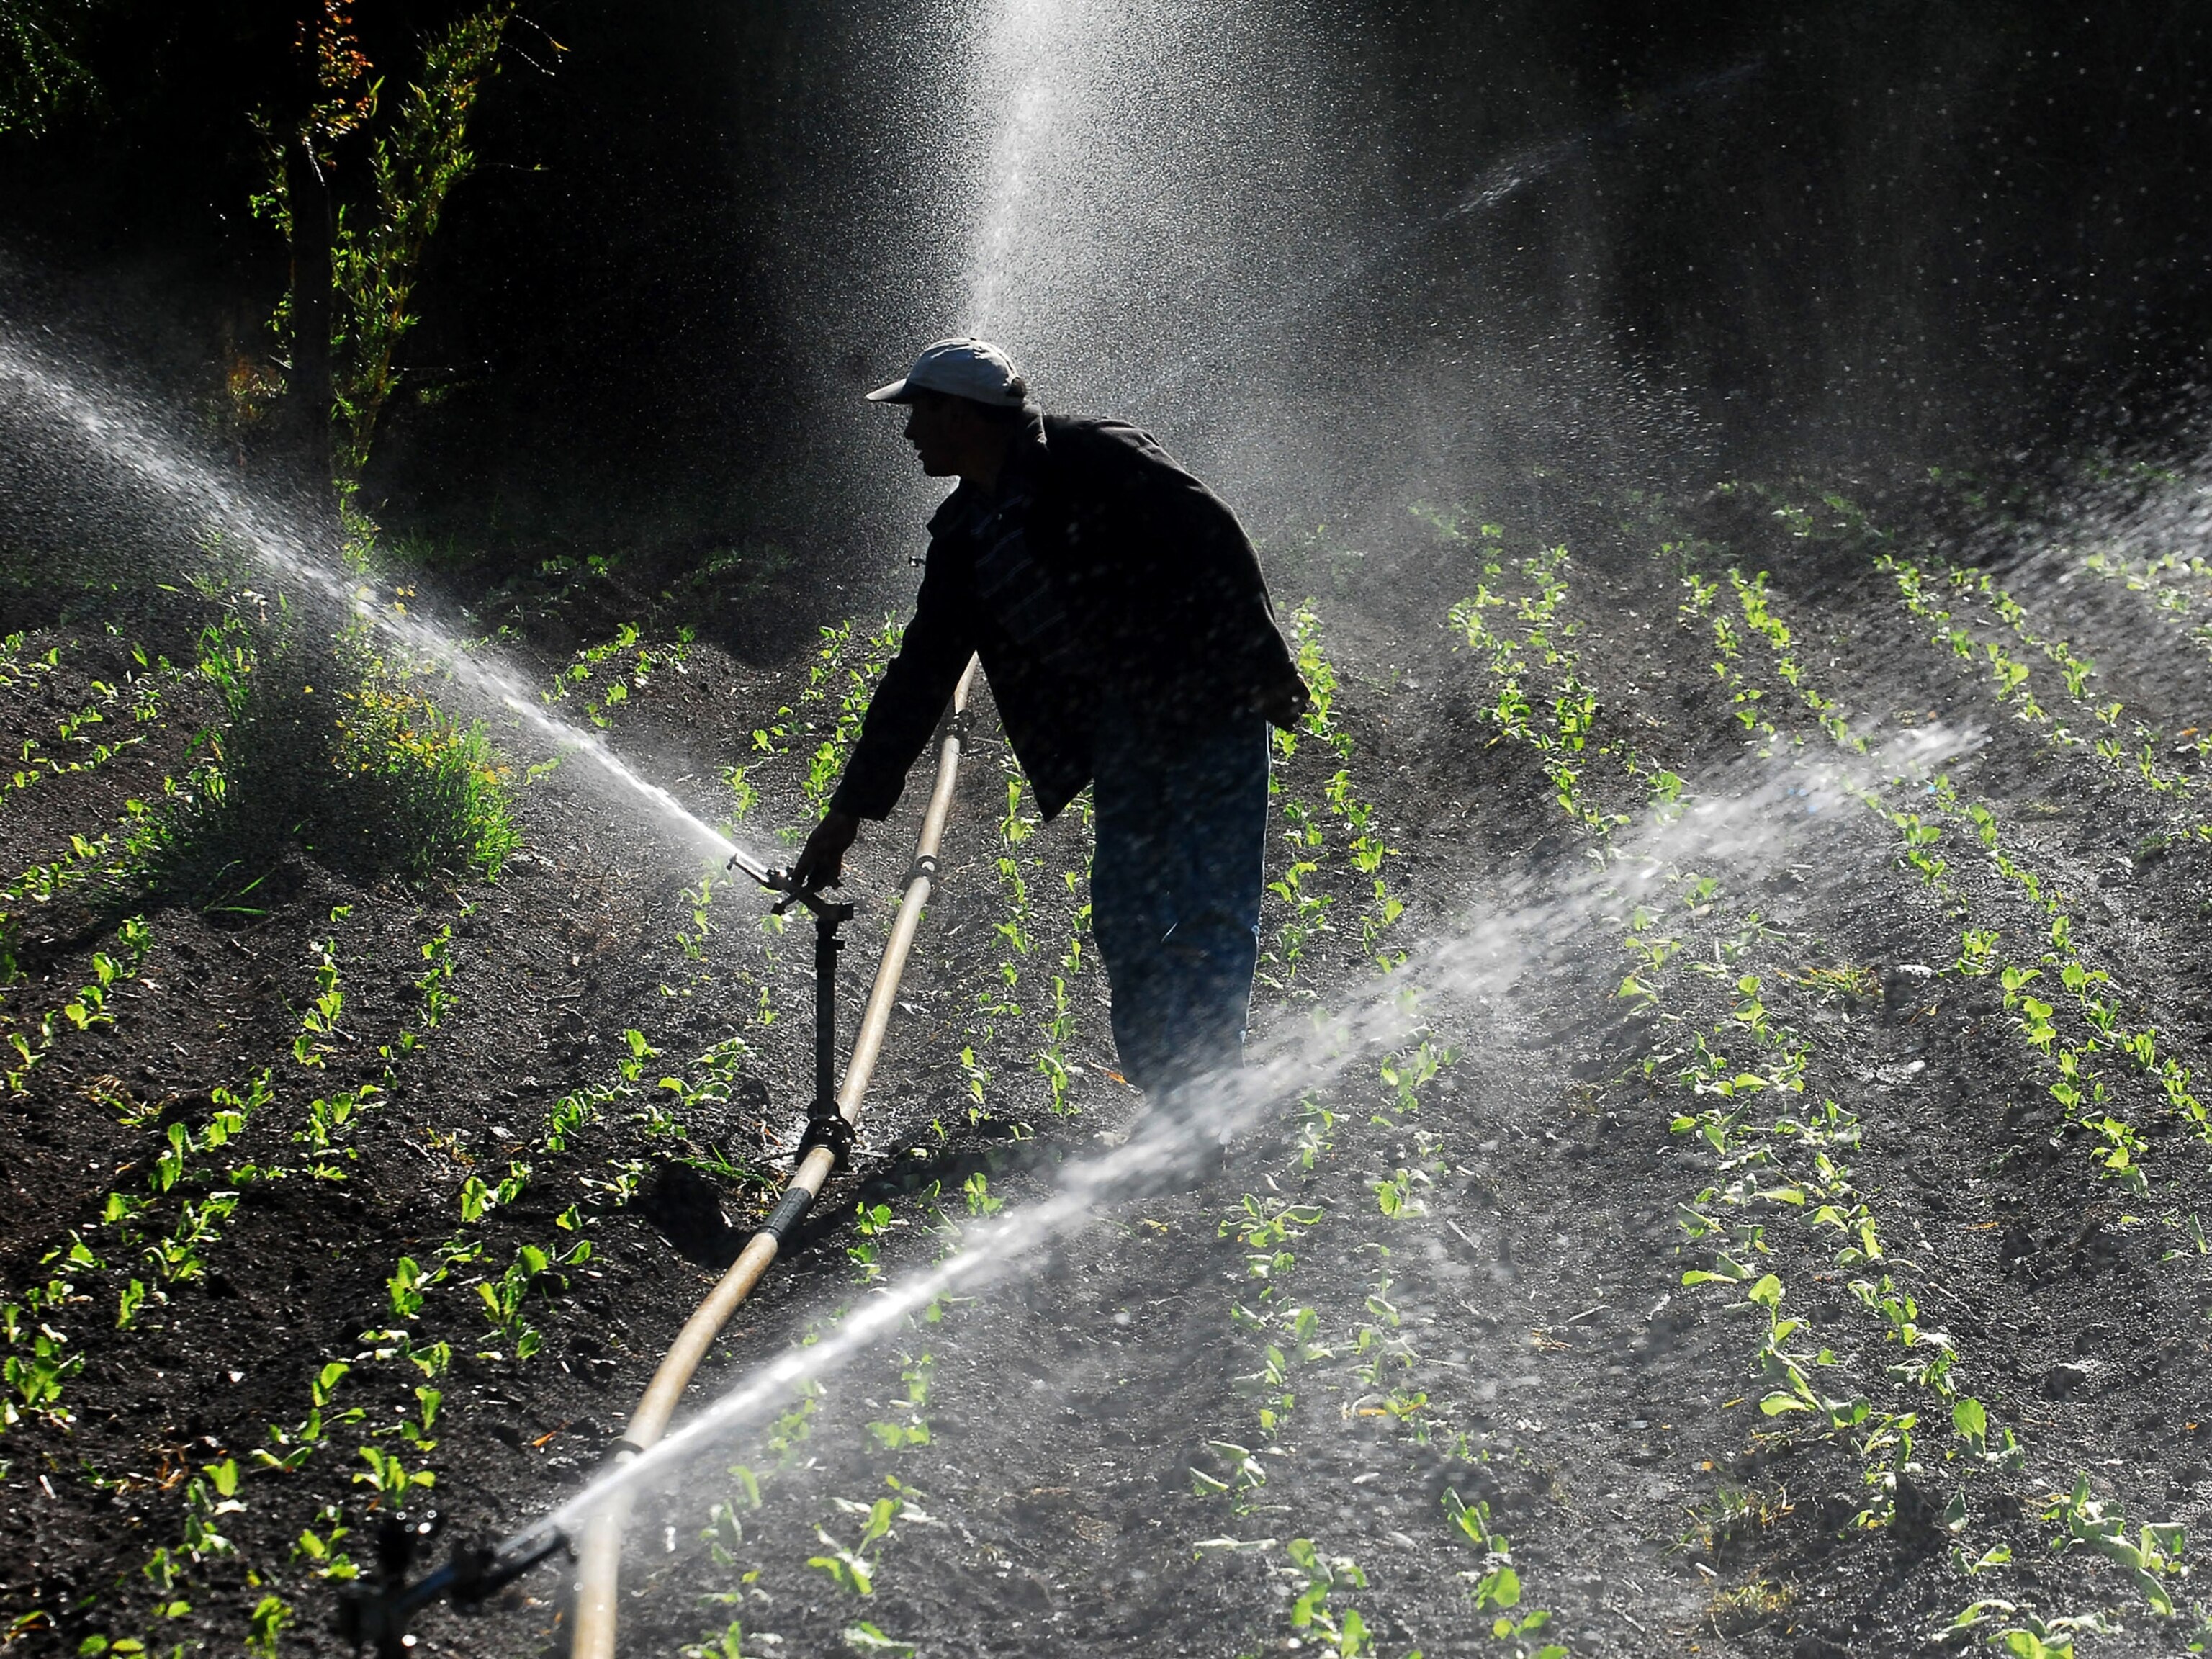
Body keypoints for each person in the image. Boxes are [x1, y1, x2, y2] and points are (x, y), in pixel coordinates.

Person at [790, 337, 1308, 1151]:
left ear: (963, 413)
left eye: (920, 411)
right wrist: (849, 814)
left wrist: (1264, 661)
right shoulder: (963, 534)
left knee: (1213, 904)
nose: (909, 431)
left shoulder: (1093, 456)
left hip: (1210, 702)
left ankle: (1203, 1103)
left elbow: (1212, 533)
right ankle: (1176, 1089)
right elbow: (921, 675)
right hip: (1127, 731)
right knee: (1125, 918)